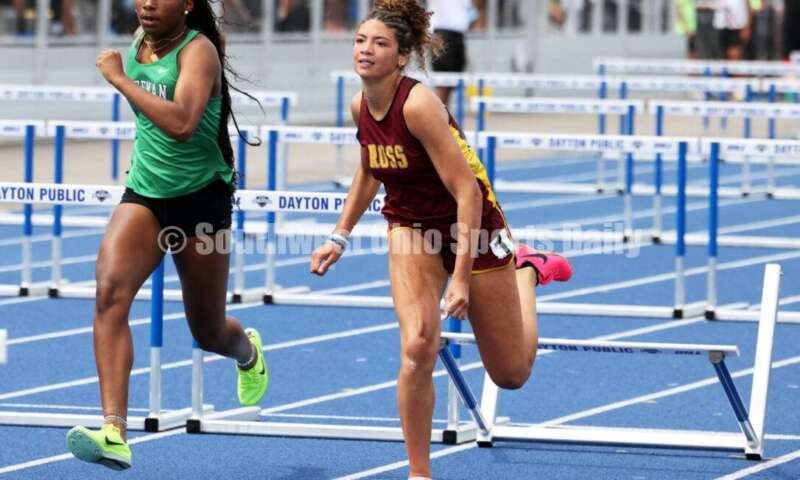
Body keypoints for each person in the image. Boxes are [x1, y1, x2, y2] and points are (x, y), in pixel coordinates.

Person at [309, 1, 572, 478]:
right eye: (360, 41)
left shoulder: (419, 104)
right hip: (411, 227)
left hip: (472, 225)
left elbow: (467, 193)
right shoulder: (359, 105)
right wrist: (339, 236)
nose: (366, 50)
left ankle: (528, 271)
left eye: (380, 44)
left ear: (402, 56)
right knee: (417, 347)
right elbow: (372, 167)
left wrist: (462, 281)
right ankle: (419, 472)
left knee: (511, 374)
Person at [65, 0, 268, 470]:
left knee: (208, 330)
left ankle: (248, 351)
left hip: (202, 201)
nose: (148, 3)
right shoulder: (140, 41)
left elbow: (181, 124)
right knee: (109, 293)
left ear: (188, 4)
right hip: (146, 195)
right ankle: (114, 430)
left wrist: (119, 79)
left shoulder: (199, 53)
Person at [427, 0, 474, 107]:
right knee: (443, 82)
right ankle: (434, 118)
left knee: (453, 82)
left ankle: (444, 117)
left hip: (459, 34)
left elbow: (470, 11)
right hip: (441, 32)